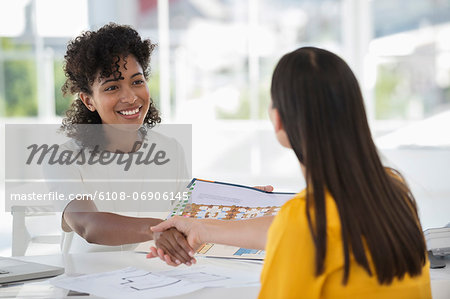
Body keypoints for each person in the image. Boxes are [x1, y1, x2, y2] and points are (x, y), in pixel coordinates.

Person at [150, 47, 432, 298]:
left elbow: (297, 229)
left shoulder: (304, 222)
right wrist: (201, 228)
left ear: (278, 120)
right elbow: (286, 228)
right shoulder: (393, 189)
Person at [43, 23, 195, 265]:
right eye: (112, 87)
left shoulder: (170, 149)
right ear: (88, 100)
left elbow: (187, 217)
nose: (130, 97)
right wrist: (155, 229)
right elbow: (88, 225)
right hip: (88, 282)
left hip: (156, 277)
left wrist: (244, 204)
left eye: (137, 81)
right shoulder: (63, 157)